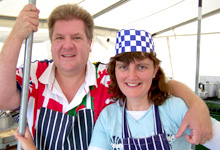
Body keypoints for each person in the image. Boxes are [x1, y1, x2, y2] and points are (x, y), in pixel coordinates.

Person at [0, 4, 212, 150]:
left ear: (90, 44)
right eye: (59, 38)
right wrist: (17, 35)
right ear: (51, 43)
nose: (67, 45)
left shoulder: (107, 77)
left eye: (76, 37)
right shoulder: (34, 74)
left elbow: (152, 82)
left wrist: (197, 104)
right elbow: (3, 99)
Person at [88, 29, 220, 150]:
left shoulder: (176, 109)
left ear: (155, 70)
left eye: (141, 67)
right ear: (114, 71)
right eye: (123, 67)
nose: (132, 76)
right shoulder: (108, 117)